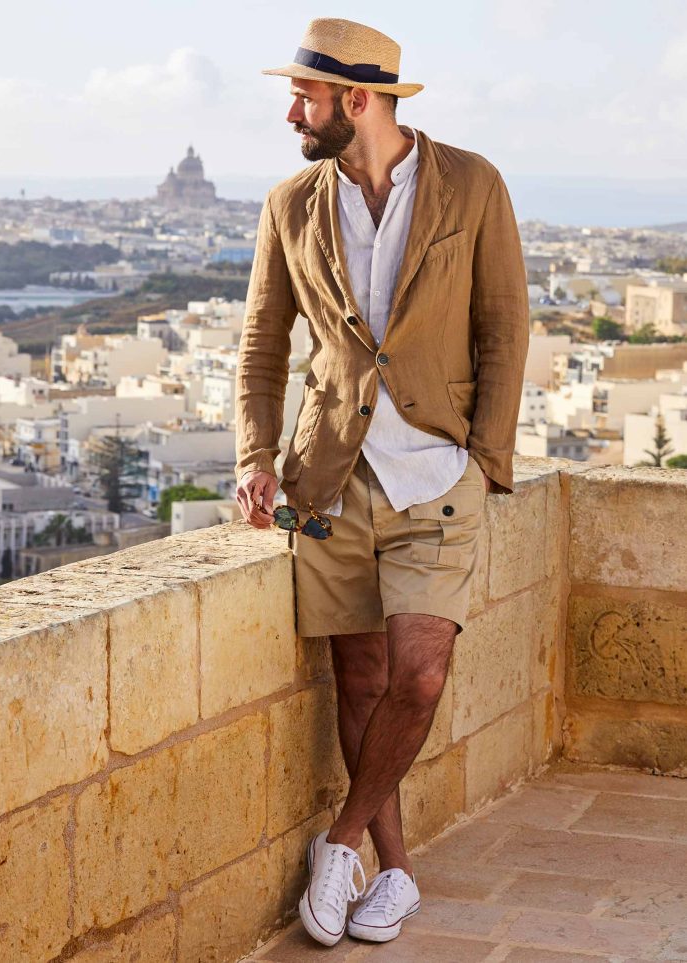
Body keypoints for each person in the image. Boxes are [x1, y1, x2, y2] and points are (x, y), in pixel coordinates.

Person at [234, 16, 529, 948]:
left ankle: (341, 841)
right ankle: (393, 872)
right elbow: (261, 346)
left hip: (437, 476)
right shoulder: (290, 204)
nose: (292, 113)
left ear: (357, 102)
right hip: (329, 480)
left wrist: (484, 460)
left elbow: (505, 327)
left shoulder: (472, 185)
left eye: (306, 98)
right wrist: (253, 456)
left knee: (420, 671)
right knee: (357, 679)